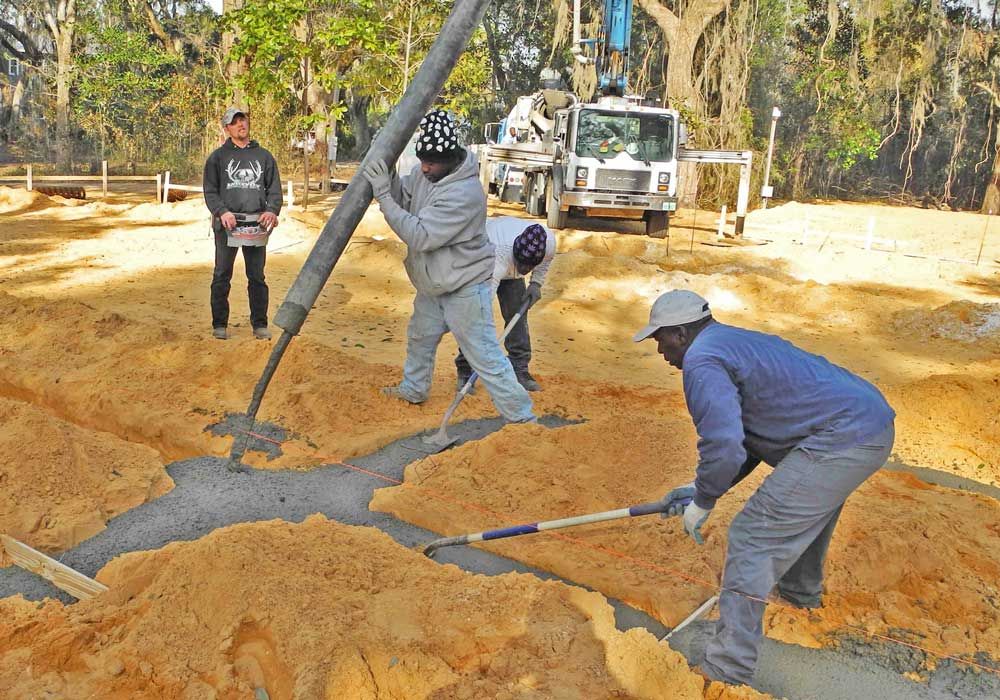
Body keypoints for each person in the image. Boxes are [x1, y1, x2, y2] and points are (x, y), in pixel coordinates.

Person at [634, 290, 895, 687]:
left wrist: (704, 500)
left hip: (842, 436)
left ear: (682, 333)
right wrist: (698, 488)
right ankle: (798, 593)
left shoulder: (702, 361)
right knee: (806, 502)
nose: (659, 350)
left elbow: (723, 445)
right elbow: (748, 440)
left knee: (753, 535)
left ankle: (726, 668)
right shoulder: (731, 341)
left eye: (660, 338)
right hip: (865, 423)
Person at [362, 109, 535, 424]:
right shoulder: (426, 174)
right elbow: (405, 199)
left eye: (431, 162)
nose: (424, 167)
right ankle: (414, 389)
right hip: (433, 283)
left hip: (464, 288)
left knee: (484, 355)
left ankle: (522, 417)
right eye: (422, 160)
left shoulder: (464, 193)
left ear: (452, 157)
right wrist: (387, 176)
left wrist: (382, 196)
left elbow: (421, 235)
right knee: (420, 336)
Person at [203, 107, 283, 340]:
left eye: (243, 120)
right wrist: (222, 212)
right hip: (227, 226)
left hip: (255, 226)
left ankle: (259, 324)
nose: (241, 124)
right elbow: (210, 191)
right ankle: (220, 324)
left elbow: (274, 190)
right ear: (226, 128)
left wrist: (271, 211)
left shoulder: (264, 157)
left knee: (257, 277)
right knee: (221, 275)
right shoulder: (218, 158)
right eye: (235, 122)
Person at [455, 217, 556, 392]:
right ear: (515, 253)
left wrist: (535, 283)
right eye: (521, 264)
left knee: (517, 315)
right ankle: (465, 370)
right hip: (479, 260)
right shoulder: (495, 256)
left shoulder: (549, 244)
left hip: (506, 263)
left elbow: (545, 263)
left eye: (529, 267)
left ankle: (519, 368)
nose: (524, 270)